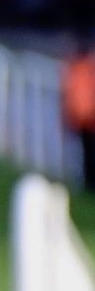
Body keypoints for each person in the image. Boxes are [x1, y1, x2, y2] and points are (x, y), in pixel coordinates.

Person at [62, 38, 95, 191]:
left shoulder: (77, 69)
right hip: (85, 118)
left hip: (83, 117)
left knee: (86, 153)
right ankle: (88, 181)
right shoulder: (82, 69)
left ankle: (87, 181)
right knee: (86, 153)